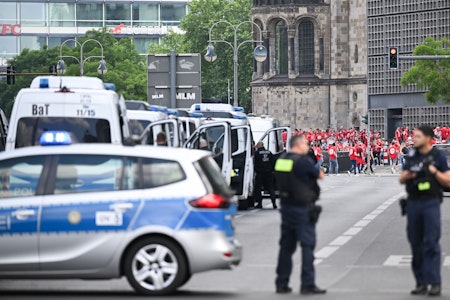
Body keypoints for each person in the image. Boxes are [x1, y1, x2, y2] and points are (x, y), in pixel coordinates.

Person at [399, 125, 450, 297]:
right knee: (415, 243)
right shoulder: (412, 156)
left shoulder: (437, 156)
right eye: (414, 136)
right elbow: (401, 178)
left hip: (430, 203)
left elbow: (448, 181)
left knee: (431, 243)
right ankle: (420, 282)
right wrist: (405, 177)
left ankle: (434, 282)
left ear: (428, 138)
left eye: (418, 136)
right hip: (413, 203)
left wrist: (434, 172)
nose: (414, 139)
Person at [273, 135, 326, 295]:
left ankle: (281, 283)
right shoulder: (302, 161)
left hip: (286, 207)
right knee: (307, 245)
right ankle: (307, 284)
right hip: (302, 208)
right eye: (306, 144)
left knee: (286, 247)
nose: (307, 147)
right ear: (299, 144)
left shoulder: (282, 160)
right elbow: (319, 175)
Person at [253, 142, 277, 209]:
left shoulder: (257, 153)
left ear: (260, 145)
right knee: (270, 188)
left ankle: (259, 203)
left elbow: (255, 163)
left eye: (257, 145)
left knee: (258, 188)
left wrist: (256, 170)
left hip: (260, 173)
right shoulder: (269, 152)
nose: (256, 146)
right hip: (269, 173)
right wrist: (272, 170)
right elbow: (274, 161)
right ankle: (274, 203)